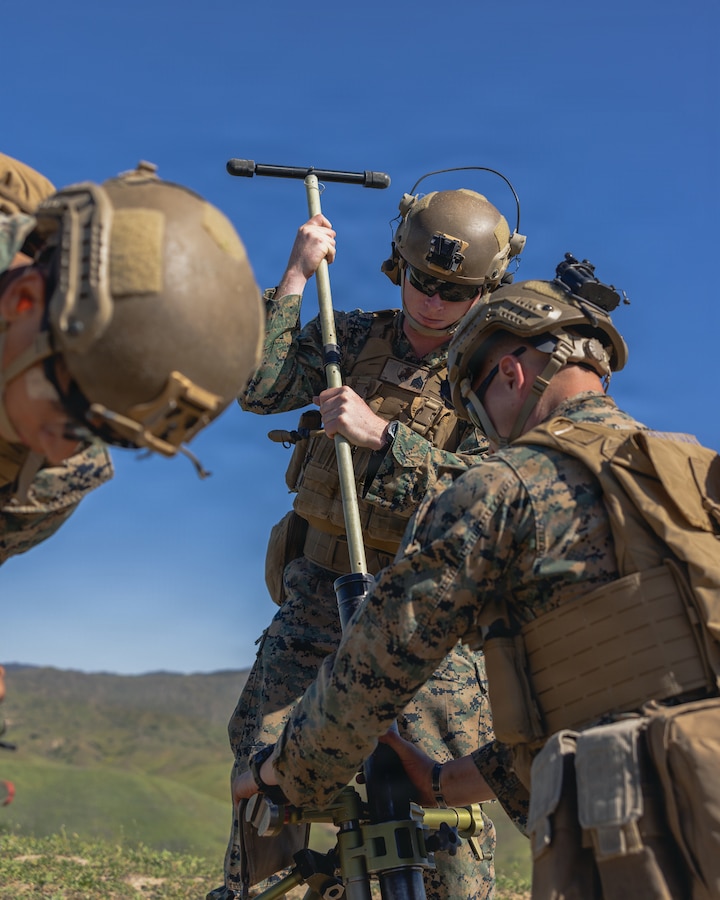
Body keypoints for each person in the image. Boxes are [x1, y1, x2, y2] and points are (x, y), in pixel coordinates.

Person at [234, 257, 720, 899]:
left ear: (511, 375)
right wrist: (444, 784)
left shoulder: (498, 491)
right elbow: (608, 685)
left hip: (637, 822)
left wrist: (285, 773)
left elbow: (374, 669)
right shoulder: (699, 472)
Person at [211, 181, 526, 900]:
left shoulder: (496, 378)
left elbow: (495, 492)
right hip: (317, 601)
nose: (434, 302)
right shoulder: (348, 338)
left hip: (428, 614)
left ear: (486, 292)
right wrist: (296, 276)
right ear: (398, 267)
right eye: (423, 281)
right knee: (265, 771)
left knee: (445, 795)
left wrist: (385, 437)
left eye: (455, 290)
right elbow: (259, 388)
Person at [0, 154, 263, 562]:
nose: (57, 452)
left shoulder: (52, 481)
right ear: (23, 300)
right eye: (65, 420)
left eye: (89, 435)